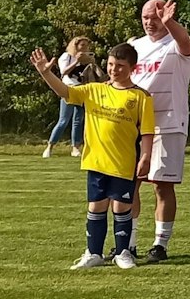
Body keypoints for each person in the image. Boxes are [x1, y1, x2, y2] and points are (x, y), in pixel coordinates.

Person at [30, 44, 153, 270]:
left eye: (120, 66)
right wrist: (46, 73)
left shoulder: (141, 97)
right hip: (96, 161)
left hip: (124, 162)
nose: (114, 69)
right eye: (111, 64)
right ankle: (93, 253)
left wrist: (145, 157)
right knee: (96, 207)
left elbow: (146, 132)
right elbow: (64, 92)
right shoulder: (94, 90)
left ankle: (123, 252)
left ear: (132, 68)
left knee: (121, 207)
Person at [128, 0, 190, 262]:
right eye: (146, 18)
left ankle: (160, 244)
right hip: (135, 125)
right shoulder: (135, 46)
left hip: (168, 123)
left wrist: (170, 23)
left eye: (155, 18)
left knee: (161, 185)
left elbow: (186, 45)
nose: (150, 23)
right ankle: (128, 242)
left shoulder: (177, 44)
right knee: (130, 184)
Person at [44, 36, 97, 157]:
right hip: (68, 89)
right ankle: (50, 146)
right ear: (75, 45)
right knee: (63, 120)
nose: (85, 48)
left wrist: (91, 62)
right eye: (82, 45)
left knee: (78, 120)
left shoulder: (85, 59)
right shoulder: (66, 57)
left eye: (86, 45)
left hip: (81, 89)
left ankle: (75, 147)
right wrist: (77, 61)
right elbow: (64, 72)